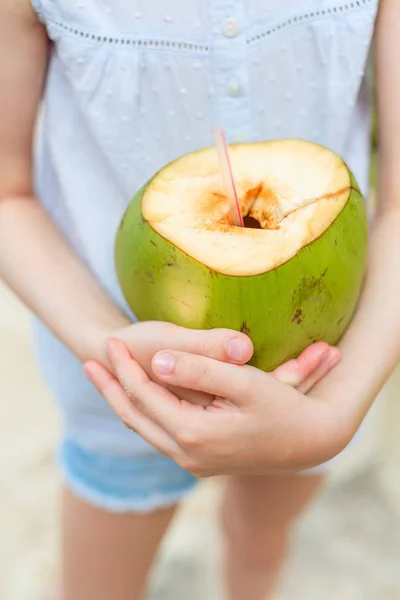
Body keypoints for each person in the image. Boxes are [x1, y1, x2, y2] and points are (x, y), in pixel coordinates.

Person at [0, 1, 396, 599]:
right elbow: (6, 193)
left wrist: (334, 416)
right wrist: (113, 348)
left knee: (263, 538)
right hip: (121, 392)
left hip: (325, 369)